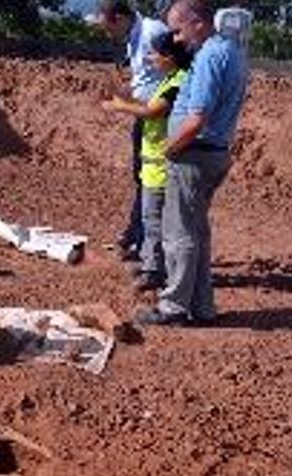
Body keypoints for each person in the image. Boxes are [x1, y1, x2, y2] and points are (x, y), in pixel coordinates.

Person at [135, 0, 249, 326]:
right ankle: (202, 307)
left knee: (179, 232)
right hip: (212, 153)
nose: (177, 39)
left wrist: (170, 149)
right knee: (197, 232)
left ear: (198, 22)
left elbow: (197, 118)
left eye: (178, 29)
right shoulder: (232, 52)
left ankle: (173, 307)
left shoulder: (212, 55)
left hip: (195, 154)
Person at [101, 30, 192, 291]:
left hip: (162, 165)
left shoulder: (177, 82)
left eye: (155, 53)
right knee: (153, 218)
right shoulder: (172, 79)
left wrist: (119, 106)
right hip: (156, 164)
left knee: (154, 220)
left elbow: (152, 111)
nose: (150, 58)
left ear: (169, 57)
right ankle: (152, 263)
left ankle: (154, 271)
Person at [97, 0, 169, 262]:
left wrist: (121, 104)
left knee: (151, 180)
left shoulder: (153, 32)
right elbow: (145, 77)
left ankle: (141, 241)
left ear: (120, 18)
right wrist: (127, 92)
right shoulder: (134, 36)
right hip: (145, 115)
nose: (108, 34)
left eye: (108, 28)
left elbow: (172, 69)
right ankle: (136, 236)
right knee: (142, 176)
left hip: (160, 117)